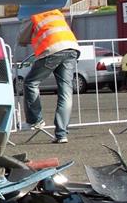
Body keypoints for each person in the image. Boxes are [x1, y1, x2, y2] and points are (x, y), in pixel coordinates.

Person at [18, 8, 80, 143]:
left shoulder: (34, 14)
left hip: (53, 49)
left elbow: (22, 39)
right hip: (72, 48)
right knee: (66, 91)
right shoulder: (56, 12)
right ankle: (61, 134)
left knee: (30, 82)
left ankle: (35, 120)